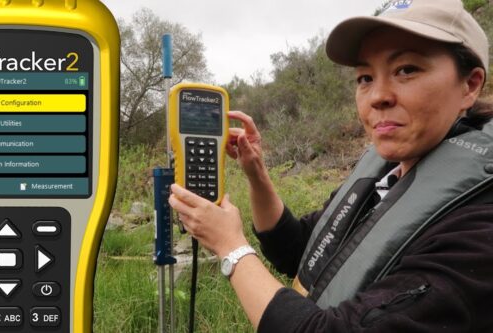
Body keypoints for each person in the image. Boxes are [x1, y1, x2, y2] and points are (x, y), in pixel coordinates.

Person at [168, 0, 493, 331]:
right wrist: (256, 172)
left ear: (469, 85)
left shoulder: (478, 227)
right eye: (365, 77)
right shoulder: (384, 172)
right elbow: (295, 250)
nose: (377, 96)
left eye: (406, 70)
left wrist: (230, 247)